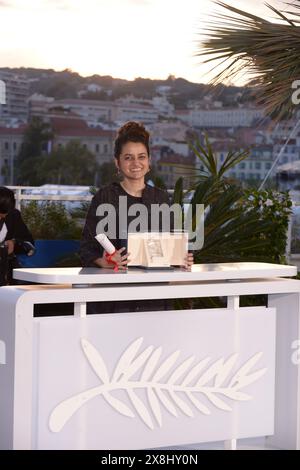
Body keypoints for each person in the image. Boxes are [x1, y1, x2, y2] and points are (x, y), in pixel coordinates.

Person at [80, 121, 193, 312]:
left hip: (155, 296)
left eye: (141, 157)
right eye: (128, 157)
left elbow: (173, 243)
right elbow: (86, 249)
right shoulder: (105, 197)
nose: (136, 163)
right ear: (117, 162)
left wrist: (182, 257)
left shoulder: (161, 198)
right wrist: (107, 261)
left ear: (149, 161)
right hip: (114, 298)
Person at [0, 187, 35, 285]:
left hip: (7, 271)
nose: (1, 218)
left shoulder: (13, 215)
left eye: (4, 215)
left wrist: (14, 243)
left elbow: (28, 242)